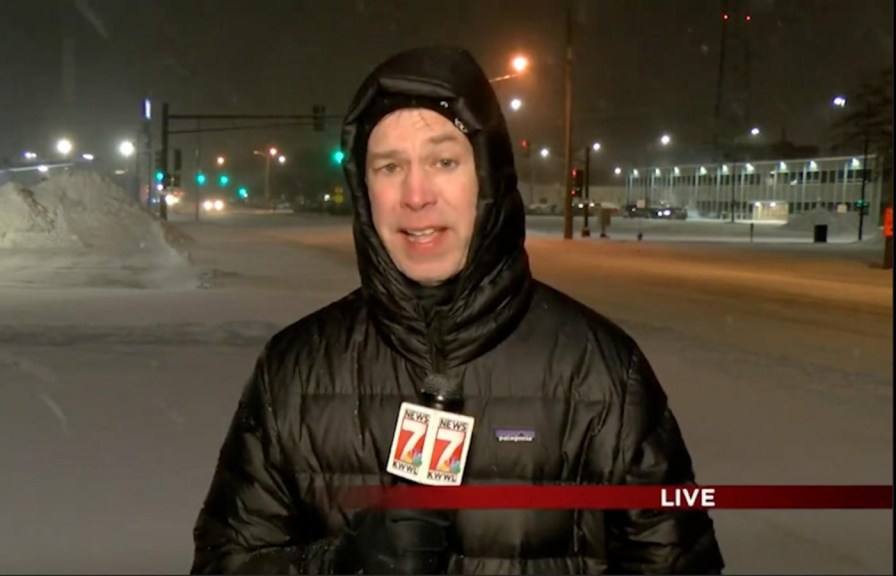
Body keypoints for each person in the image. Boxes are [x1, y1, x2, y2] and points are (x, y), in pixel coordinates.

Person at [190, 45, 725, 575]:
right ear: (363, 189)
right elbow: (225, 561)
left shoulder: (602, 373)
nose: (416, 194)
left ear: (487, 179)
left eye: (444, 161)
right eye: (389, 166)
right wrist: (338, 565)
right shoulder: (294, 370)